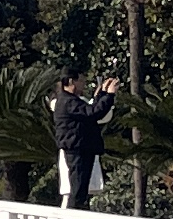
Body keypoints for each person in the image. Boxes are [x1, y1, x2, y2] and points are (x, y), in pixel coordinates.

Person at [46, 73, 119, 209]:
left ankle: (76, 212)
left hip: (80, 148)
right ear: (71, 81)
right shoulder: (68, 101)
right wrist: (109, 95)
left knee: (80, 189)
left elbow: (89, 111)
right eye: (81, 81)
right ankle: (73, 216)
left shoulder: (68, 100)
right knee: (78, 190)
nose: (84, 85)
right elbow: (93, 113)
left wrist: (102, 94)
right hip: (77, 150)